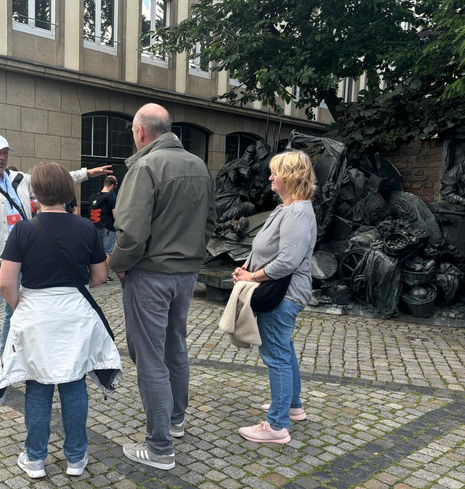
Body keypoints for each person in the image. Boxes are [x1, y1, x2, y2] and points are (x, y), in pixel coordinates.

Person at [0, 161, 122, 478]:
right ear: (68, 191)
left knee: (38, 387)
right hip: (75, 314)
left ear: (35, 193)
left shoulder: (22, 229)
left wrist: (20, 306)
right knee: (74, 383)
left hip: (35, 313)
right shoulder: (84, 228)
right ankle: (76, 459)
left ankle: (35, 459)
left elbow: (5, 282)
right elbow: (99, 276)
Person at [109, 103, 216, 470]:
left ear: (140, 132)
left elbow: (131, 233)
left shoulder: (146, 166)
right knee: (175, 347)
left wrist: (118, 267)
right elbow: (211, 223)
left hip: (150, 274)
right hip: (185, 274)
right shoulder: (199, 165)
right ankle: (175, 420)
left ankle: (159, 447)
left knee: (151, 357)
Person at [0, 134, 112, 389]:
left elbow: (59, 180)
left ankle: (5, 357)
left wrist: (90, 172)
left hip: (24, 258)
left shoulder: (19, 181)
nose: (2, 157)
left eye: (5, 152)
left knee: (13, 312)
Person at [231, 150, 317, 444]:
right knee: (284, 349)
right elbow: (270, 251)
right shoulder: (287, 208)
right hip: (280, 292)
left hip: (284, 295)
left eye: (275, 172)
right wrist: (247, 267)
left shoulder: (296, 213)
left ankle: (277, 426)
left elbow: (287, 262)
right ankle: (292, 406)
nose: (270, 177)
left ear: (291, 177)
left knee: (276, 355)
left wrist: (252, 277)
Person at [89, 176, 117, 276]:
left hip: (95, 226)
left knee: (97, 252)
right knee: (107, 252)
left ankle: (95, 274)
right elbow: (115, 214)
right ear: (112, 185)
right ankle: (104, 275)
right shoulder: (111, 198)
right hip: (108, 228)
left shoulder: (93, 196)